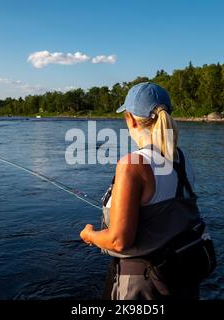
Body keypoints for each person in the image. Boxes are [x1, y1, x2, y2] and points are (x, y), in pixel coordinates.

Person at [80, 82, 212, 300]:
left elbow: (119, 241)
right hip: (182, 274)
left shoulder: (133, 165)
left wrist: (90, 235)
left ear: (130, 119)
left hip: (143, 285)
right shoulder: (182, 159)